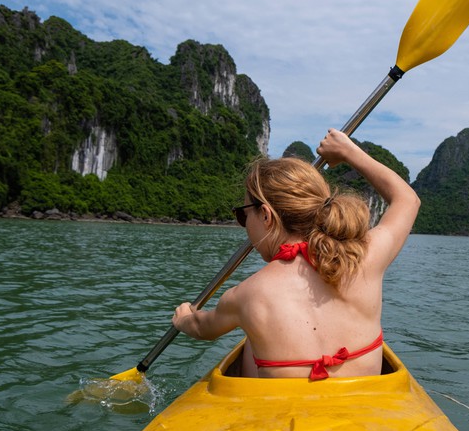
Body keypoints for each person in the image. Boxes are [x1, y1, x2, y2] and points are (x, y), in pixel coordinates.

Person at [173, 128, 420, 379]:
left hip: (287, 413)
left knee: (251, 341)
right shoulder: (366, 256)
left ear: (266, 216)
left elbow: (202, 328)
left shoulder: (245, 296)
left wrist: (183, 319)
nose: (244, 224)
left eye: (243, 214)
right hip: (367, 410)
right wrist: (348, 151)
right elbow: (407, 200)